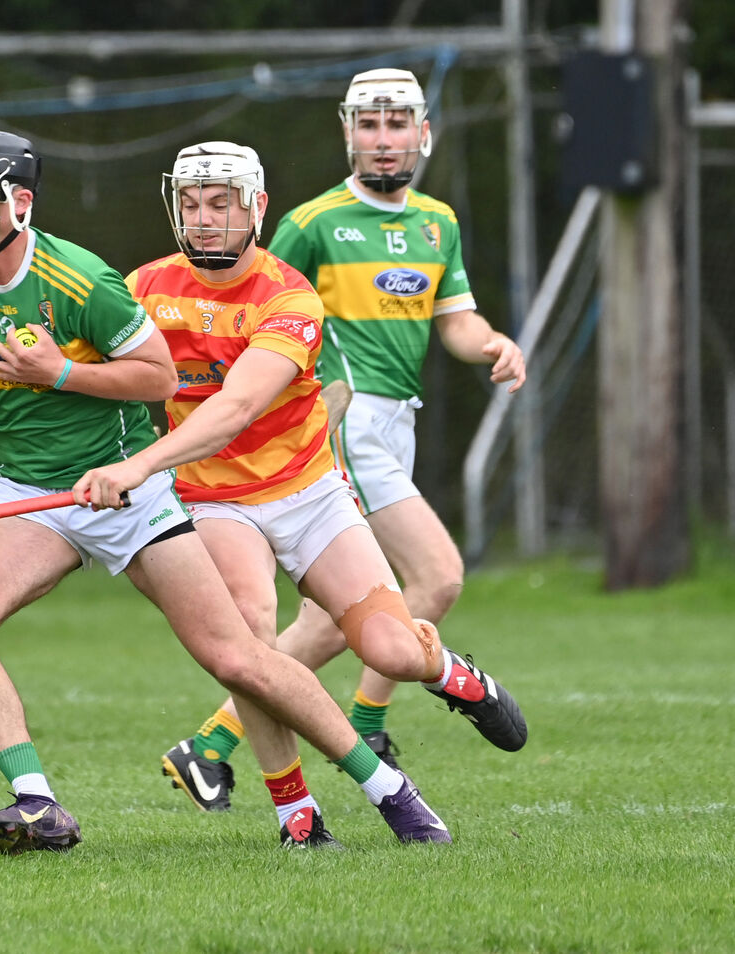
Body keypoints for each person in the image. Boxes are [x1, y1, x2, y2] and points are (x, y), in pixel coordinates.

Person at [0, 127, 450, 856]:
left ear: (18, 201)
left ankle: (388, 790)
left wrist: (61, 376)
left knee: (238, 655)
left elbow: (158, 381)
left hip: (132, 491)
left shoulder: (81, 279)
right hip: (28, 494)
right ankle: (37, 803)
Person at [157, 69, 530, 799]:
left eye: (396, 125)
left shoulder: (437, 223)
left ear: (424, 132)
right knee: (436, 577)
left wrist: (490, 343)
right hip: (342, 419)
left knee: (337, 615)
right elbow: (259, 309)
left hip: (399, 421)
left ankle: (214, 742)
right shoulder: (313, 221)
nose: (383, 140)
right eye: (368, 125)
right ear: (346, 132)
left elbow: (454, 319)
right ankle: (361, 722)